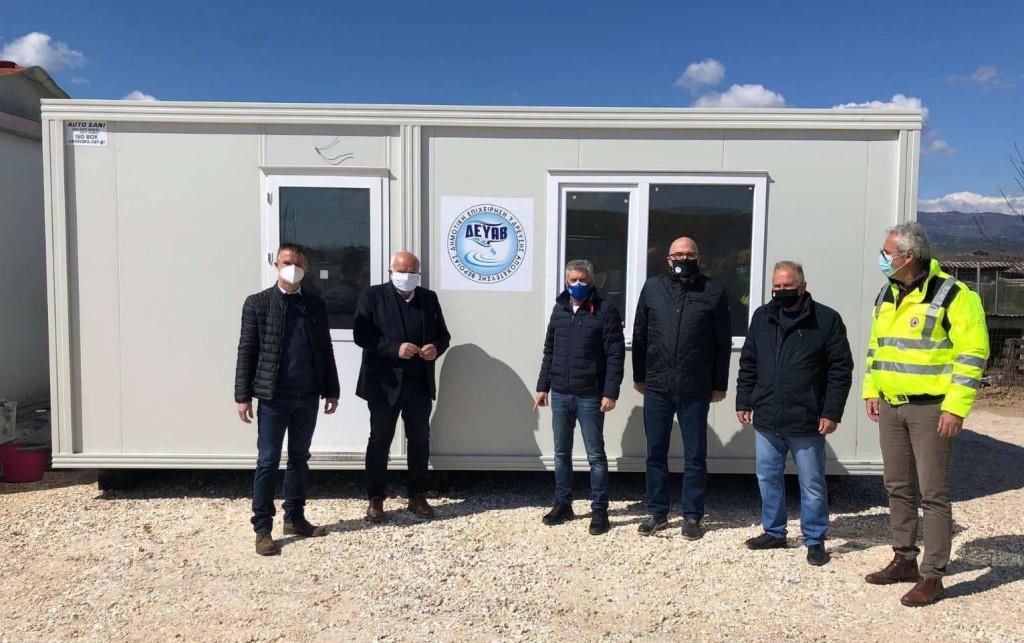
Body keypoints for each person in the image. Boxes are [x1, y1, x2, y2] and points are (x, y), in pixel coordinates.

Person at [861, 221, 989, 606]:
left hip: (932, 409)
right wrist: (872, 389)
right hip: (891, 405)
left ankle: (933, 575)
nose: (883, 258)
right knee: (897, 486)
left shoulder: (955, 295)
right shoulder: (887, 292)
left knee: (933, 493)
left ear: (909, 256)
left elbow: (972, 354)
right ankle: (904, 559)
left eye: (887, 253)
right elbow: (877, 347)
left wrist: (956, 407)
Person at [735, 261, 853, 566]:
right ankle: (774, 532)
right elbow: (749, 362)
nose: (781, 291)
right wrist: (743, 400)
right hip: (768, 416)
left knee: (812, 483)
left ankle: (814, 539)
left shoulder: (825, 319)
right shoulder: (762, 317)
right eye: (776, 286)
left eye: (787, 286)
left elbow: (840, 370)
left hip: (807, 418)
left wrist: (831, 412)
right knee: (767, 477)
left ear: (802, 286)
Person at [235, 243, 340, 556]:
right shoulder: (258, 304)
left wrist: (332, 389)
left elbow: (325, 348)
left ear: (305, 268)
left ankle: (294, 517)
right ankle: (262, 529)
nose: (291, 268)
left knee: (299, 458)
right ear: (276, 265)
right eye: (286, 262)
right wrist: (242, 396)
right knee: (267, 460)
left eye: (297, 263)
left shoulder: (314, 304)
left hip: (306, 396)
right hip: (273, 397)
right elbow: (247, 351)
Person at [632, 236, 732, 539]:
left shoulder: (713, 290)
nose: (683, 259)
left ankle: (692, 516)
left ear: (698, 258)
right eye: (678, 254)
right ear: (668, 259)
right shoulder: (652, 288)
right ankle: (657, 512)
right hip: (657, 385)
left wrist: (719, 384)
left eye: (689, 254)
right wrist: (639, 375)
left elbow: (722, 341)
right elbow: (640, 333)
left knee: (695, 455)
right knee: (655, 452)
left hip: (695, 387)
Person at [354, 251, 451, 522]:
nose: (406, 276)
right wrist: (395, 348)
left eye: (411, 271)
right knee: (380, 440)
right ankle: (375, 499)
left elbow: (444, 335)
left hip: (418, 383)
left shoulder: (428, 299)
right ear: (390, 272)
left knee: (419, 440)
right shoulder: (372, 296)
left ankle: (417, 496)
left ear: (418, 274)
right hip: (384, 384)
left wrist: (436, 348)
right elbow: (361, 335)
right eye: (401, 271)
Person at [534, 259, 625, 536]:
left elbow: (615, 355)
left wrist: (610, 392)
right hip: (561, 393)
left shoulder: (605, 310)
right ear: (566, 282)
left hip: (590, 395)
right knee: (561, 452)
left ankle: (600, 510)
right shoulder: (559, 309)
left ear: (592, 281)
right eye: (573, 280)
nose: (578, 284)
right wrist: (543, 386)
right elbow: (549, 350)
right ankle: (563, 503)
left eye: (583, 280)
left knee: (595, 454)